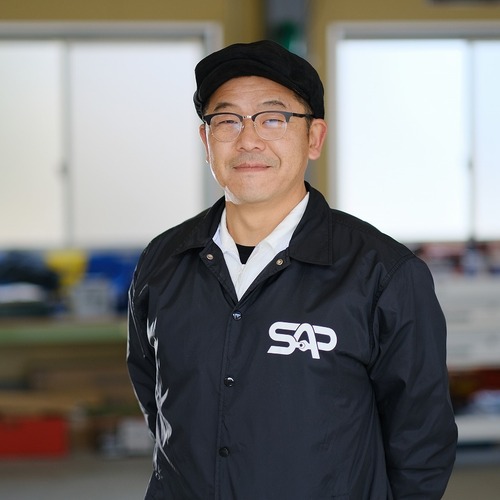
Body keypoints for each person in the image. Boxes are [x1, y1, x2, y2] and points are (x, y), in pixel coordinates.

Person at [127, 40, 457, 499]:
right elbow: (158, 399)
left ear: (314, 138)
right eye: (227, 121)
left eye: (273, 118)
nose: (248, 140)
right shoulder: (163, 260)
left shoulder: (383, 274)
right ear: (206, 141)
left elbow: (421, 440)